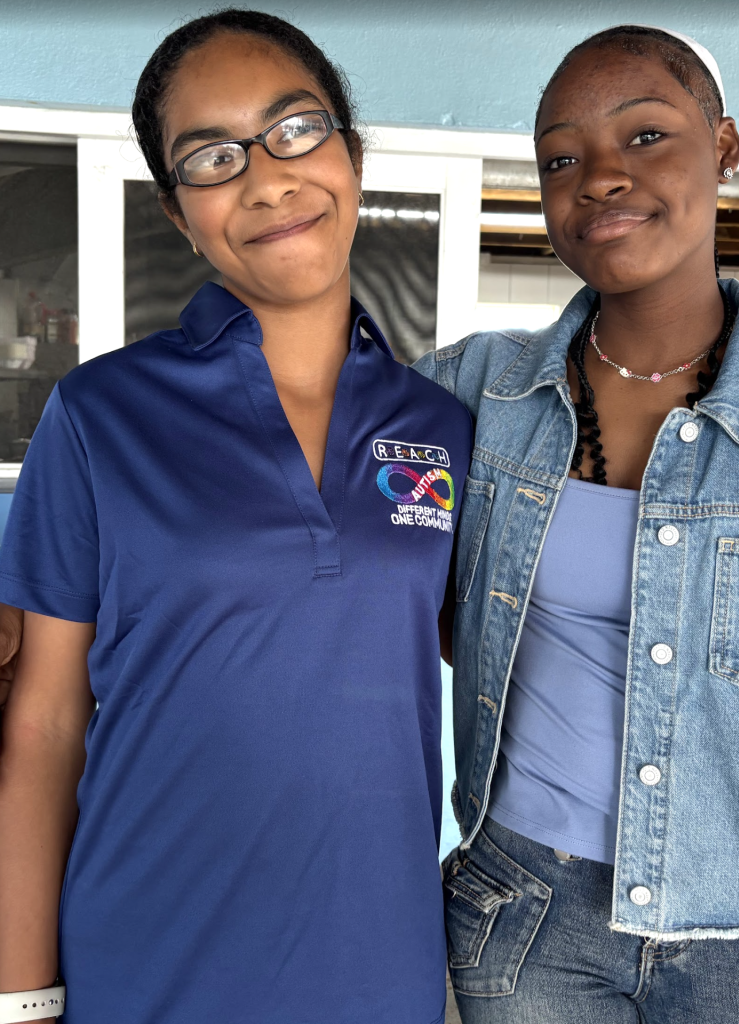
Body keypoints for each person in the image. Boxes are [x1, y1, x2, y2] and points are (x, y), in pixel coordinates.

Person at [0, 10, 470, 1024]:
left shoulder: (442, 427)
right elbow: (44, 723)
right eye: (212, 158)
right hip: (146, 967)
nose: (266, 180)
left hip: (380, 972)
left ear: (351, 152)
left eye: (295, 129)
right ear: (176, 212)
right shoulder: (100, 414)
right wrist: (22, 998)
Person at [415, 25, 739, 1024]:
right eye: (561, 159)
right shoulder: (473, 391)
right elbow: (310, 485)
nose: (600, 178)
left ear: (725, 146)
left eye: (646, 135)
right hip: (522, 916)